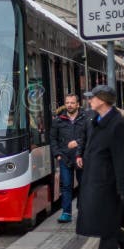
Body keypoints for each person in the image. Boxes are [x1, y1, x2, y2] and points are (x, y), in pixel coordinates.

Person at [76, 85, 124, 249]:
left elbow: (122, 157)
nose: (89, 101)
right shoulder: (96, 120)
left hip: (108, 182)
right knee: (101, 220)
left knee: (105, 221)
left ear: (102, 100)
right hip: (94, 179)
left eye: (92, 97)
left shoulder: (117, 123)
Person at [50, 94, 86, 223]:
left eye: (72, 102)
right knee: (66, 186)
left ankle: (83, 211)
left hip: (82, 158)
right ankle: (66, 213)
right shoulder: (58, 120)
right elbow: (53, 139)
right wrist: (57, 155)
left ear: (78, 104)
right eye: (67, 102)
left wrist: (77, 142)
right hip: (65, 158)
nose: (69, 105)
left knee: (84, 185)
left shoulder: (85, 118)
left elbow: (90, 136)